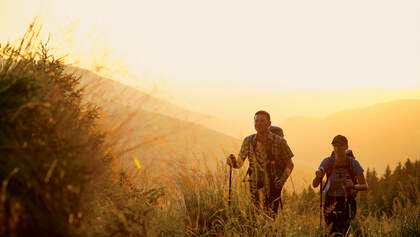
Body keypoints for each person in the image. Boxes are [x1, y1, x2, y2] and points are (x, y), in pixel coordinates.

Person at [227, 110, 294, 217]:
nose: (259, 124)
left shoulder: (280, 141)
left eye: (262, 121)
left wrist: (281, 181)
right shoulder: (248, 141)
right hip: (255, 183)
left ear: (269, 123)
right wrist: (232, 161)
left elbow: (290, 164)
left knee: (271, 216)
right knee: (256, 215)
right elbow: (239, 164)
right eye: (256, 121)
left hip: (274, 184)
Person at [312, 135, 368, 236]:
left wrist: (353, 186)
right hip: (330, 201)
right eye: (335, 145)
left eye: (340, 145)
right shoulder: (328, 162)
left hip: (347, 202)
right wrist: (318, 176)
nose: (337, 148)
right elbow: (315, 184)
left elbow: (365, 186)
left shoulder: (353, 163)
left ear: (346, 147)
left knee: (343, 230)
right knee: (332, 231)